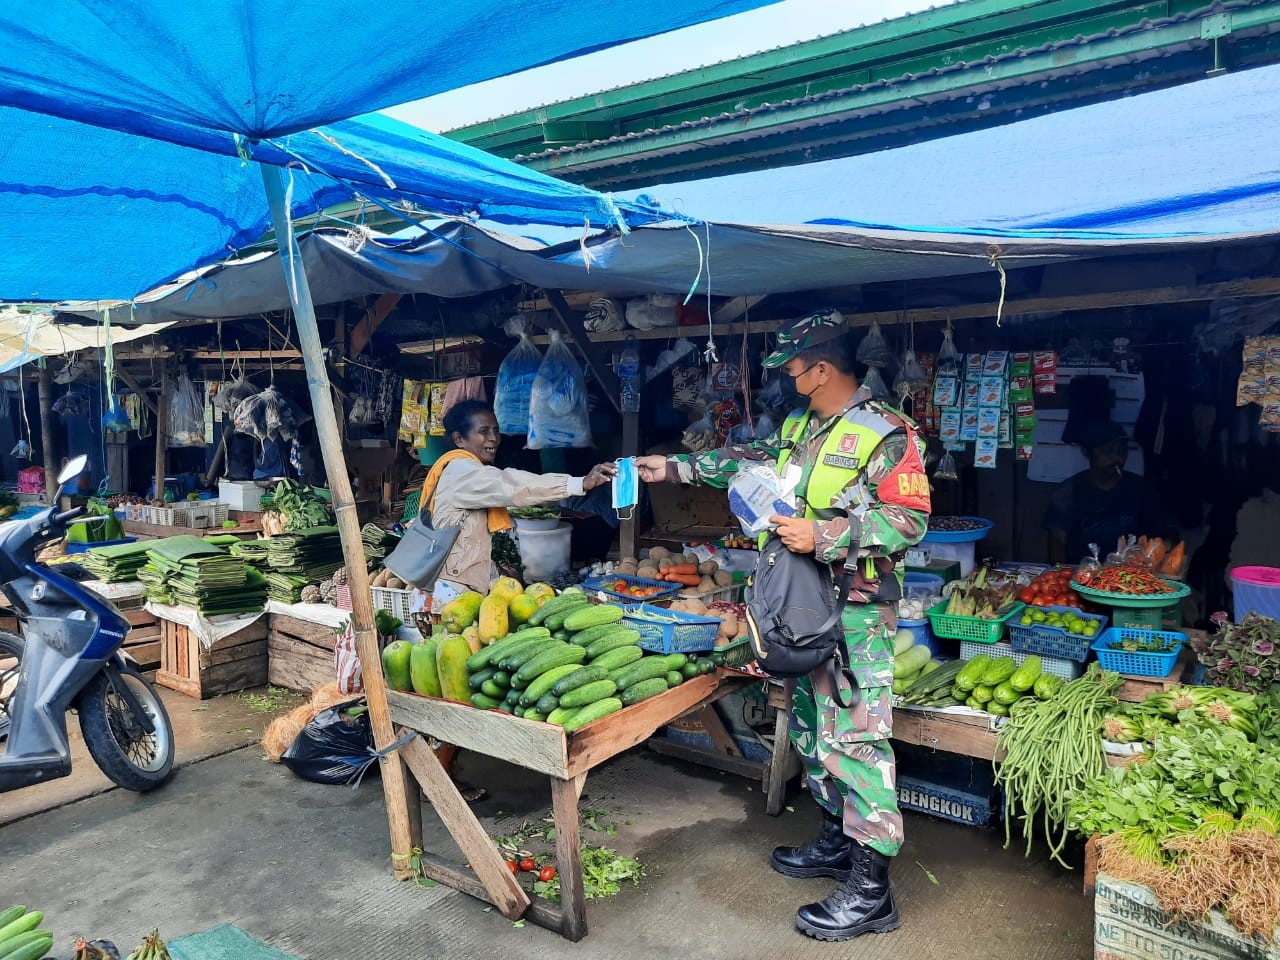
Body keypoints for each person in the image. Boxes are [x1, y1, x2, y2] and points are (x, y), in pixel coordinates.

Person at [636, 309, 930, 942]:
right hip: (797, 607)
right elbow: (749, 462)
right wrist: (673, 467)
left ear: (821, 369)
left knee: (856, 739)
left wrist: (825, 534)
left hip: (855, 612)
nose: (784, 380)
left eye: (791, 368)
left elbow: (909, 523)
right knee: (811, 730)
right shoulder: (803, 425)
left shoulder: (887, 434)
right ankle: (835, 840)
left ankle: (873, 890)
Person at [417, 400, 614, 801]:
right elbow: (512, 485)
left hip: (462, 589)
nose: (492, 438)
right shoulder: (462, 471)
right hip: (453, 597)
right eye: (482, 431)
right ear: (459, 439)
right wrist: (578, 483)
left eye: (495, 430)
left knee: (459, 691)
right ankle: (437, 777)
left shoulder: (464, 471)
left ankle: (443, 770)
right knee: (454, 694)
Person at [1044, 420, 1176, 566]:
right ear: (1087, 453)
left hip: (1129, 578)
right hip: (1081, 575)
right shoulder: (1068, 491)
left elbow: (1163, 537)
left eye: (1121, 451)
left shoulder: (1142, 489)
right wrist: (1062, 577)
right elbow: (1057, 541)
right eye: (1107, 452)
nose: (1116, 458)